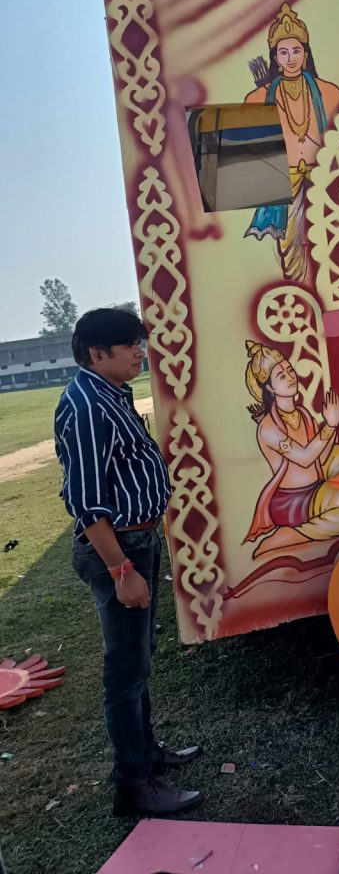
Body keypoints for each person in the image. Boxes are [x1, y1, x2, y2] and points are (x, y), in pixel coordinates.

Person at [54, 308, 203, 817]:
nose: (141, 352)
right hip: (118, 549)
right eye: (130, 345)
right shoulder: (87, 406)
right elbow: (87, 503)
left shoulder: (110, 394)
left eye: (140, 342)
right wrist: (121, 571)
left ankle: (145, 754)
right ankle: (134, 785)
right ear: (98, 354)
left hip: (138, 540)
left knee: (138, 658)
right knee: (125, 670)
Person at [241, 342, 339, 552]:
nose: (290, 377)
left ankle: (337, 494)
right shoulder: (268, 428)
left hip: (315, 484)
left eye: (290, 370)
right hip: (294, 502)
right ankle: (296, 534)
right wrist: (330, 426)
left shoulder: (302, 414)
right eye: (281, 376)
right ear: (270, 388)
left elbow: (321, 458)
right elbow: (305, 458)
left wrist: (332, 425)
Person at [244, 2, 339, 282]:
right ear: (275, 58)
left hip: (323, 178)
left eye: (296, 51)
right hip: (284, 180)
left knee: (330, 239)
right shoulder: (258, 98)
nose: (290, 59)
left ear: (306, 54)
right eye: (283, 52)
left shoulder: (329, 92)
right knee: (290, 247)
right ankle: (301, 293)